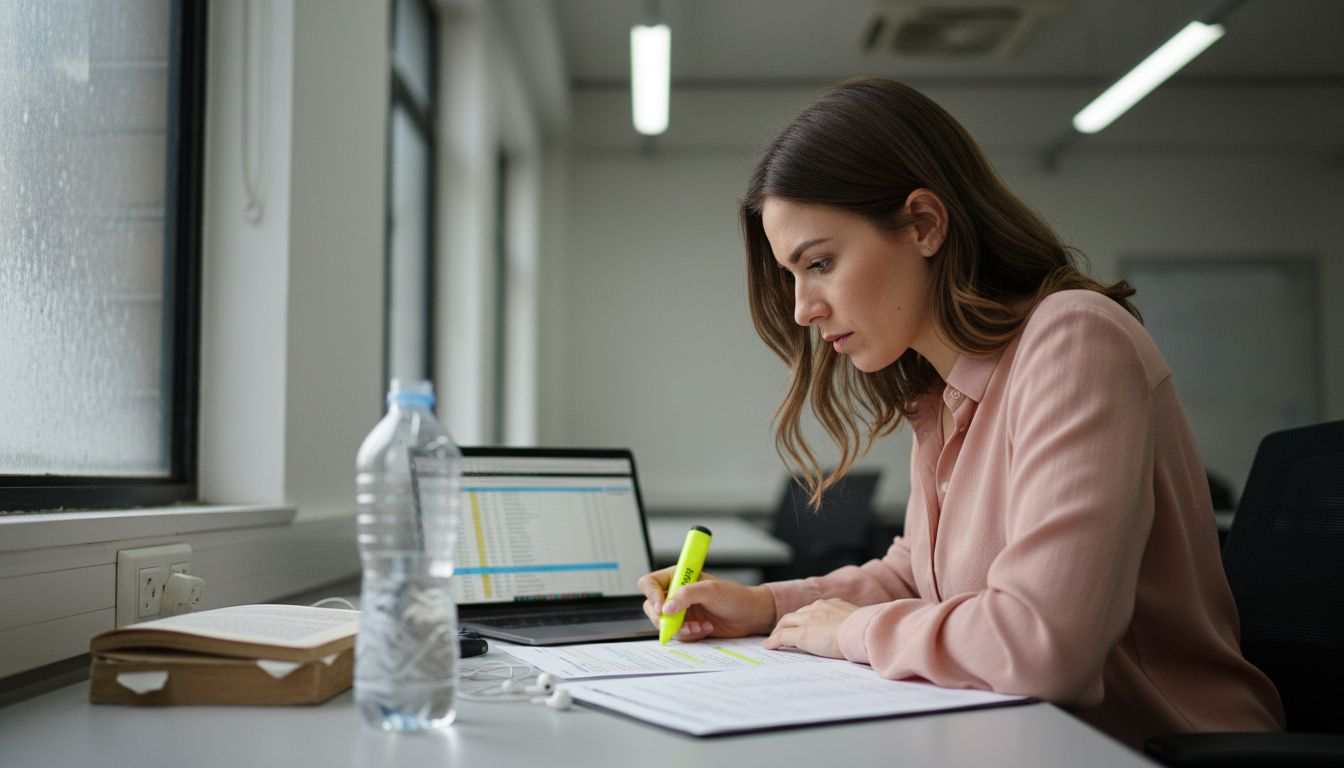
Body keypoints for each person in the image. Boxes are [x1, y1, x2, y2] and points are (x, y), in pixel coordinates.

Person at [637, 78, 1284, 749]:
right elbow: (917, 576)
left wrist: (849, 632)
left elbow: (1044, 645)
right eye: (792, 277)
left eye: (820, 263)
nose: (802, 309)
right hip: (1025, 739)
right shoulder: (940, 394)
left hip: (1153, 746)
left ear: (923, 224)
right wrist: (766, 607)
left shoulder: (1075, 341)